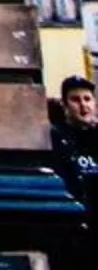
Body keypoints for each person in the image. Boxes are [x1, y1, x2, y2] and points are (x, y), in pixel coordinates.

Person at [52, 74, 98, 228]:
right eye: (75, 100)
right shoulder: (56, 138)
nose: (83, 105)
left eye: (87, 99)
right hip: (74, 221)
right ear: (64, 105)